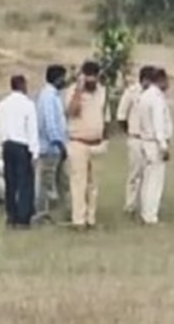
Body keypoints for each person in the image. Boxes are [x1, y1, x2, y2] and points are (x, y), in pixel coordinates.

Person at [65, 61, 108, 230]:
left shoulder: (101, 92)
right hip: (78, 143)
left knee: (93, 185)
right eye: (88, 76)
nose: (91, 80)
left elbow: (105, 116)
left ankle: (91, 219)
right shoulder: (73, 91)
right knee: (78, 183)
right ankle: (78, 221)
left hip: (96, 143)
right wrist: (79, 90)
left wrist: (105, 139)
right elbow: (71, 112)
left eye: (94, 76)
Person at [0, 74, 40, 229]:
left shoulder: (2, 105)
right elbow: (32, 129)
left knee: (10, 183)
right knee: (25, 183)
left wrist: (0, 151)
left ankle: (11, 215)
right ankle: (23, 217)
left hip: (7, 145)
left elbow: (0, 130)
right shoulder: (28, 105)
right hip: (22, 146)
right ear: (23, 86)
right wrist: (35, 152)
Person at [117, 65, 156, 217]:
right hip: (135, 138)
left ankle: (147, 206)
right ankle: (130, 205)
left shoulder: (155, 94)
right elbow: (121, 115)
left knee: (149, 173)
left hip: (150, 139)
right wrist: (130, 132)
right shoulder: (132, 92)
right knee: (135, 174)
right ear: (143, 80)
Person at [136, 68, 173, 225]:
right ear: (161, 80)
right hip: (154, 142)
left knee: (147, 179)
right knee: (155, 181)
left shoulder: (144, 96)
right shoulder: (156, 98)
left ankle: (146, 212)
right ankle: (151, 215)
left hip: (145, 141)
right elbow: (158, 123)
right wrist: (163, 145)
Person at [34, 64, 70, 223]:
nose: (65, 81)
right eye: (63, 77)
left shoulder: (53, 95)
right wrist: (59, 143)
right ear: (57, 78)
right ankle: (42, 214)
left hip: (55, 148)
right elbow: (50, 124)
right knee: (47, 184)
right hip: (50, 148)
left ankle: (64, 213)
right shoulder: (49, 97)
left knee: (62, 182)